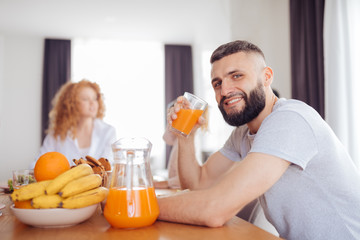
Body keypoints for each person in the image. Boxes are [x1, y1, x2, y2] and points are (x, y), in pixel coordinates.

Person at [157, 40, 360, 240]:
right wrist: (186, 134)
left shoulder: (290, 119)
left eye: (236, 76)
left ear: (266, 77)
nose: (225, 91)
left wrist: (142, 205)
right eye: (217, 83)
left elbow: (214, 209)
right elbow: (198, 183)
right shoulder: (242, 134)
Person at [31, 79, 116, 168]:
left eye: (95, 98)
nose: (92, 103)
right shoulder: (57, 133)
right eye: (85, 99)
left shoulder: (108, 132)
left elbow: (110, 166)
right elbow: (36, 165)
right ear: (72, 104)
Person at [154, 107, 209, 189]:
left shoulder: (192, 141)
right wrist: (171, 121)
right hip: (174, 187)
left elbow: (191, 176)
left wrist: (161, 184)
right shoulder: (178, 137)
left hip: (180, 188)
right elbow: (167, 139)